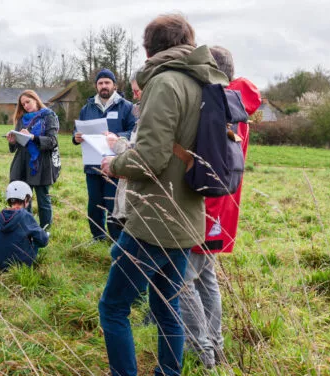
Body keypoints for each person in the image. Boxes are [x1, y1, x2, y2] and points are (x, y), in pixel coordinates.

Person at [98, 14, 230, 376]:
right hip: (188, 216)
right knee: (167, 308)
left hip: (153, 218)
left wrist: (114, 164)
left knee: (113, 307)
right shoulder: (202, 79)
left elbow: (150, 158)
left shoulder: (165, 82)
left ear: (149, 49)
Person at [180, 45, 262, 369]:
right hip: (225, 204)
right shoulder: (237, 104)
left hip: (207, 205)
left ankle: (203, 352)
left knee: (183, 281)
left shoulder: (215, 106)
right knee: (207, 277)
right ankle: (215, 343)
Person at [73, 68, 137, 241]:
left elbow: (134, 132)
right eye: (100, 83)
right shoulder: (87, 108)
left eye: (107, 82)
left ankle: (116, 238)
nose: (104, 86)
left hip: (115, 164)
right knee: (94, 202)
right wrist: (76, 137)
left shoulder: (127, 107)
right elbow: (77, 130)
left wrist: (117, 137)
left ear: (114, 85)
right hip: (92, 164)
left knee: (112, 202)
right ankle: (98, 236)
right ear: (96, 86)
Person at [6, 90, 61, 228]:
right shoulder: (22, 119)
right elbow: (16, 146)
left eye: (28, 102)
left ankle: (44, 230)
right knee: (24, 198)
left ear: (36, 99)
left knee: (43, 199)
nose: (26, 106)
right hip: (23, 163)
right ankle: (27, 229)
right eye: (23, 104)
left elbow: (52, 141)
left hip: (41, 163)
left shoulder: (49, 116)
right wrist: (12, 141)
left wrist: (33, 137)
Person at [0, 181, 49, 271]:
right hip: (21, 265)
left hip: (1, 262)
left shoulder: (1, 215)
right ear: (25, 199)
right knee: (37, 239)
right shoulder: (26, 216)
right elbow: (43, 240)